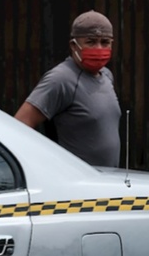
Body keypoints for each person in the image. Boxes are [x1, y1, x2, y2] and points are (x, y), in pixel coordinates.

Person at [15, 10, 122, 168]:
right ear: (74, 45)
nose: (99, 48)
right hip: (78, 186)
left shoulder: (106, 76)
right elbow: (19, 125)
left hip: (107, 183)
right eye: (91, 42)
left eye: (105, 42)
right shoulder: (60, 79)